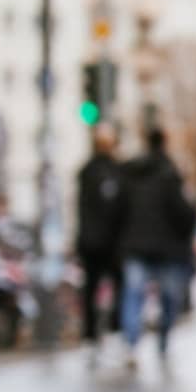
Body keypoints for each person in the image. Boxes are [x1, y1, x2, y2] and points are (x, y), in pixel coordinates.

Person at [116, 127, 196, 369]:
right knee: (168, 298)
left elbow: (118, 211)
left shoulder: (130, 173)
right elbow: (184, 214)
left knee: (133, 295)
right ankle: (163, 341)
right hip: (166, 248)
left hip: (135, 246)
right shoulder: (170, 174)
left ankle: (131, 343)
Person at [74, 123, 126, 363]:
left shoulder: (87, 171)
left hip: (93, 242)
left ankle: (92, 338)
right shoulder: (114, 171)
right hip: (108, 244)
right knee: (112, 289)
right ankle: (106, 335)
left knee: (92, 290)